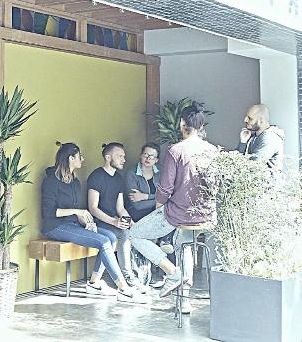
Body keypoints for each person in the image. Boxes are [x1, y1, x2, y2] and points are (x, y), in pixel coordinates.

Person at [129, 103, 218, 305]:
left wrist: (158, 207)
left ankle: (172, 272)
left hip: (179, 214)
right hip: (205, 217)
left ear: (182, 124)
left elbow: (165, 188)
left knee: (134, 234)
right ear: (201, 126)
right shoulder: (212, 150)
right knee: (183, 245)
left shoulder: (176, 150)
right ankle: (184, 302)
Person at [41, 142, 146, 303]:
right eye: (79, 156)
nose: (82, 159)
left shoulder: (75, 182)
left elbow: (77, 212)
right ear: (71, 158)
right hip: (55, 227)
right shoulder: (50, 181)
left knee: (111, 238)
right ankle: (124, 289)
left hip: (73, 225)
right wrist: (78, 212)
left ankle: (94, 283)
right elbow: (49, 212)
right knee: (104, 242)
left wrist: (85, 221)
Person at [86, 142, 142, 291]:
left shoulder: (118, 178)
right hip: (97, 223)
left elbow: (120, 208)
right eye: (120, 156)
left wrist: (133, 224)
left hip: (112, 222)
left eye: (124, 156)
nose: (123, 160)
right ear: (108, 157)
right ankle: (125, 278)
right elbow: (93, 208)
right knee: (115, 237)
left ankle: (128, 276)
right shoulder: (96, 176)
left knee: (127, 233)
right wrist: (114, 221)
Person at [125, 142, 174, 288]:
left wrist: (145, 196)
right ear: (141, 155)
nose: (148, 158)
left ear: (156, 160)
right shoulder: (132, 174)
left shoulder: (160, 174)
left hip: (156, 213)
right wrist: (158, 200)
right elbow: (136, 204)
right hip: (138, 214)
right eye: (145, 154)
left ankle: (167, 273)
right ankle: (155, 271)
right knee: (163, 215)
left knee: (170, 219)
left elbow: (168, 196)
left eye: (152, 156)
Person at [238, 104, 285, 171]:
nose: (245, 120)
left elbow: (255, 164)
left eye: (250, 118)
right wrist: (243, 142)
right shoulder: (253, 136)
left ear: (261, 121)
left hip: (265, 178)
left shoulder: (270, 138)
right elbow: (236, 159)